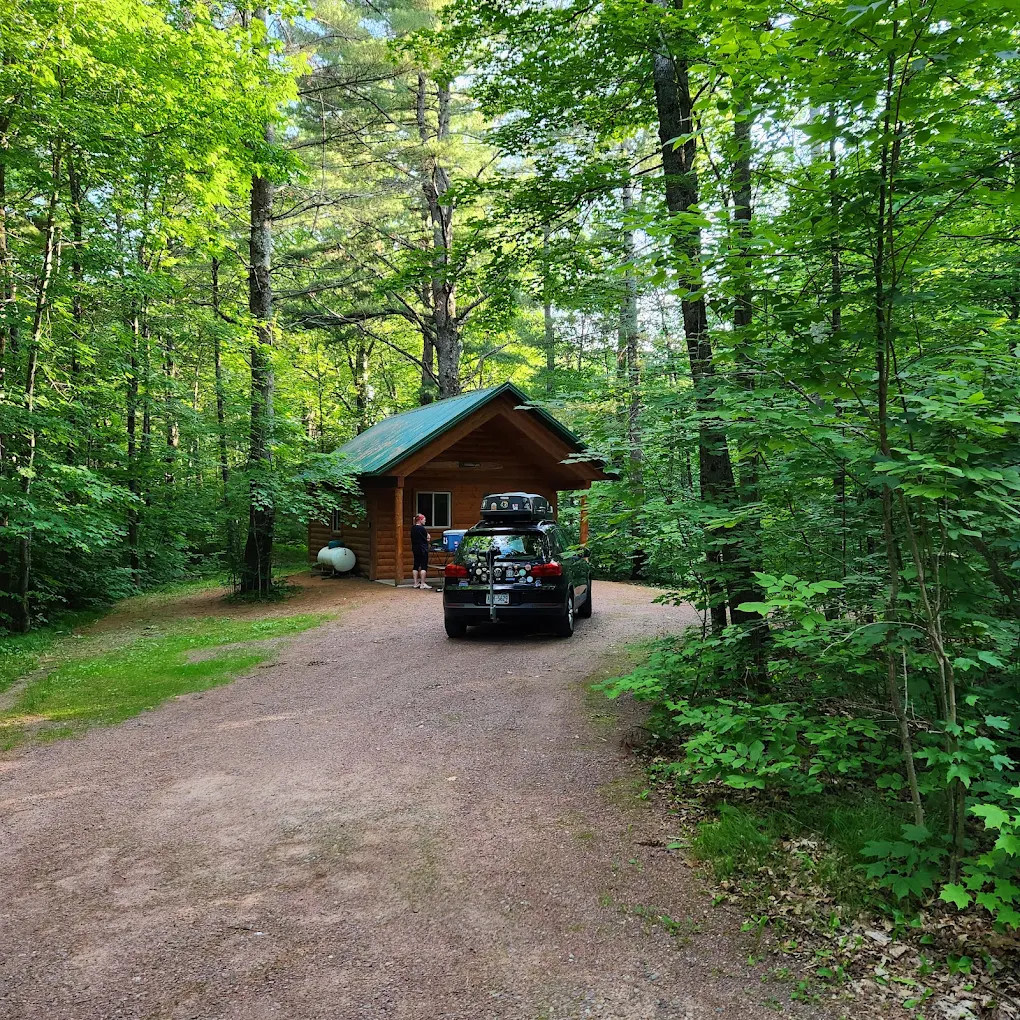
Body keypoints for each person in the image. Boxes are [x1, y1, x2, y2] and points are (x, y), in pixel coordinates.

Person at [411, 513, 431, 589]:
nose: (425, 521)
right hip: (423, 549)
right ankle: (422, 583)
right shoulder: (422, 529)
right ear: (420, 520)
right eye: (424, 520)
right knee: (423, 566)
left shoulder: (413, 528)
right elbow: (428, 538)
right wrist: (428, 536)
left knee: (415, 565)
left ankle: (415, 583)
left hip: (415, 549)